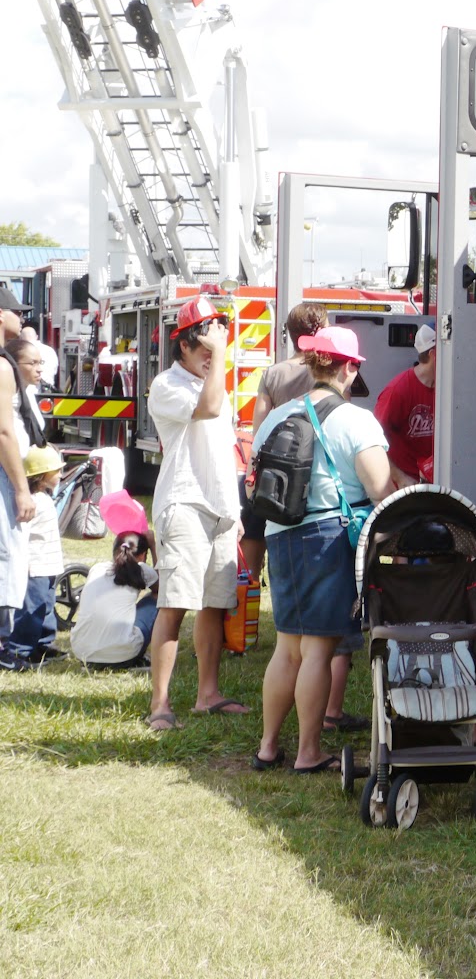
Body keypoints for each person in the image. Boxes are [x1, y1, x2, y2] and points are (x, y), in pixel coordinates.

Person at [252, 325, 394, 773]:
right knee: (317, 651)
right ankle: (308, 752)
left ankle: (268, 747)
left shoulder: (278, 415)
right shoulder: (355, 420)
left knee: (286, 648)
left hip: (280, 533)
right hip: (327, 539)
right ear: (349, 368)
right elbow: (380, 490)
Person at [145, 295, 248, 730]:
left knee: (214, 605)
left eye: (217, 347)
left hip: (220, 508)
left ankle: (208, 695)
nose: (212, 355)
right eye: (205, 347)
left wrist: (235, 511)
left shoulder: (213, 382)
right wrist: (221, 354)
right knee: (175, 604)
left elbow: (224, 450)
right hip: (184, 502)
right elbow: (208, 409)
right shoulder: (166, 385)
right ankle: (159, 704)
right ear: (183, 346)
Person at [240, 302, 328, 599]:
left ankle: (249, 594)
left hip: (275, 472)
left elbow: (259, 429)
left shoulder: (273, 374)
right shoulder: (328, 374)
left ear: (290, 333)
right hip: (314, 469)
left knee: (254, 532)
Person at [0, 289, 38, 671]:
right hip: (3, 473)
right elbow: (3, 432)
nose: (22, 318)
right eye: (16, 312)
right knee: (7, 554)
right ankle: (2, 646)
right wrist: (22, 489)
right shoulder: (1, 366)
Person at [70, 531, 158, 668]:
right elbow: (163, 589)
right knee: (156, 598)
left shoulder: (97, 568)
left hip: (83, 653)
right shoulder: (142, 570)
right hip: (123, 657)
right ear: (142, 555)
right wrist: (153, 546)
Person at [10, 445, 64, 663]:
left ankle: (43, 643)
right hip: (35, 566)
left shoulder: (44, 497)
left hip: (49, 565)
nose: (60, 475)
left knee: (47, 607)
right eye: (56, 471)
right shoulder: (32, 503)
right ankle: (20, 650)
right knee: (32, 609)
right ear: (42, 475)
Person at [374, 321, 436, 487]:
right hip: (407, 485)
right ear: (434, 354)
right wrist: (400, 478)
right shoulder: (398, 390)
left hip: (437, 482)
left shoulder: (448, 391)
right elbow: (373, 443)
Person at [20, 323, 59, 392]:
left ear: (21, 339)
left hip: (29, 391)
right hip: (48, 392)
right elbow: (55, 370)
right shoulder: (50, 350)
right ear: (37, 337)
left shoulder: (22, 351)